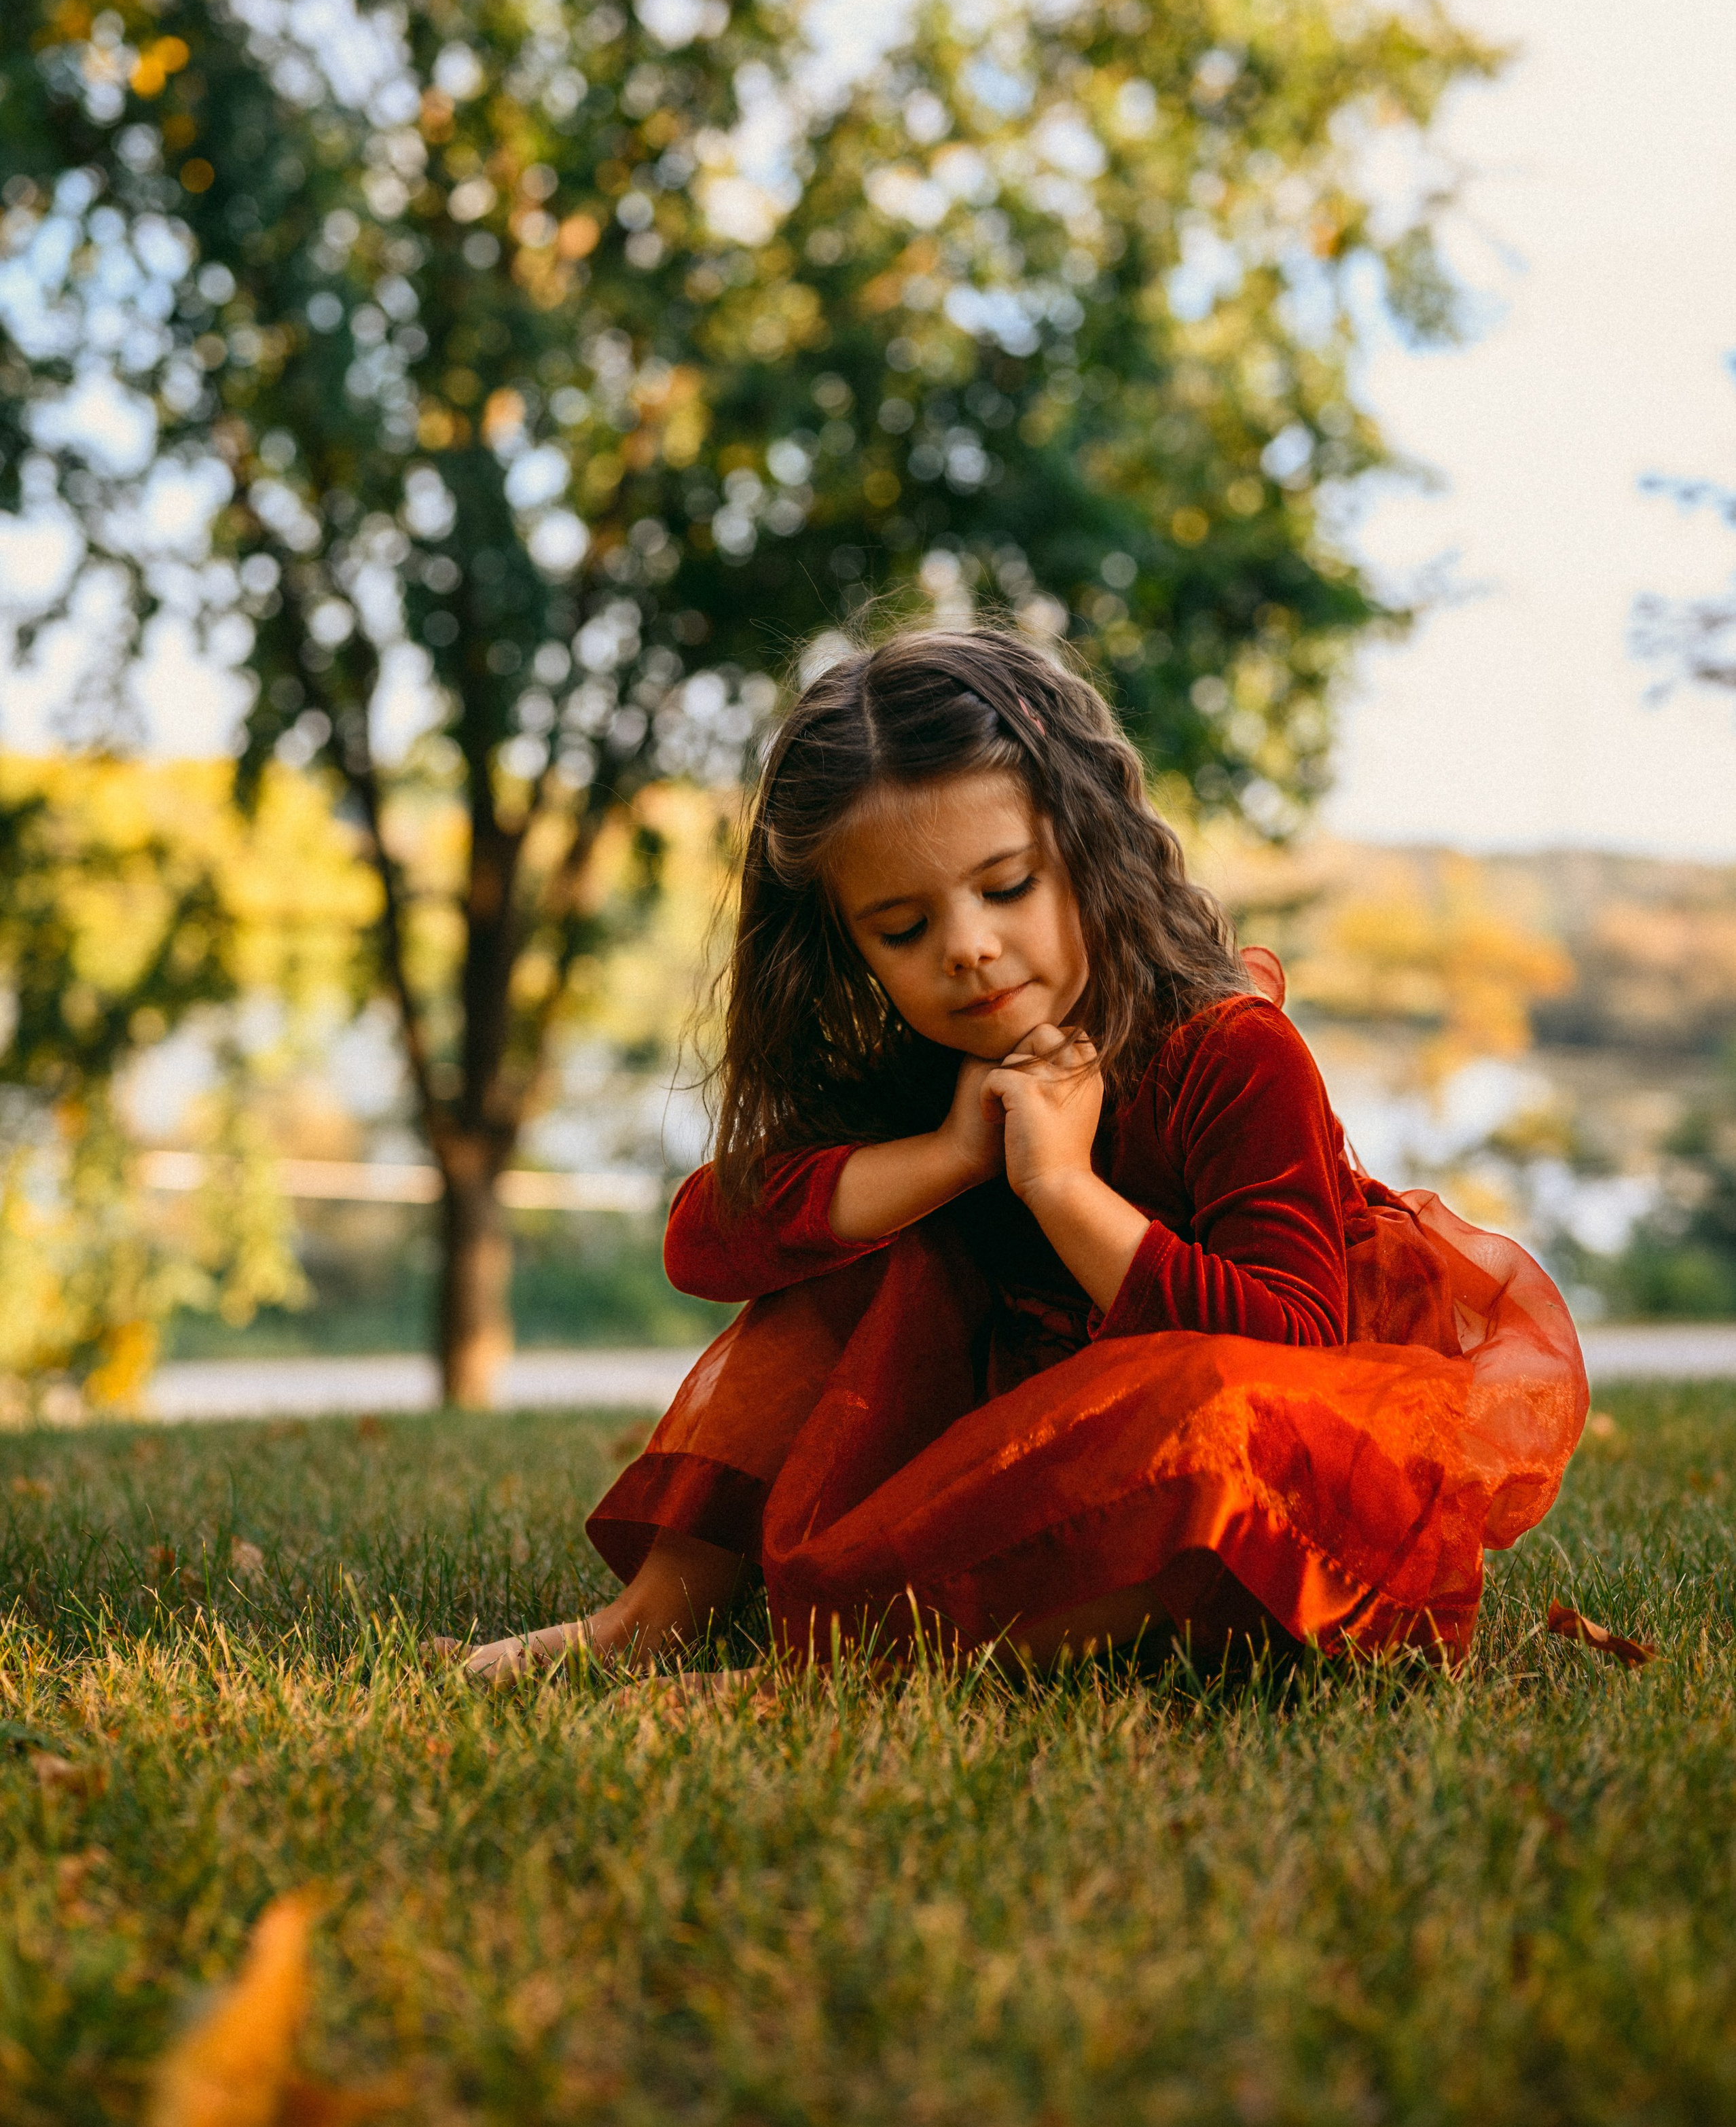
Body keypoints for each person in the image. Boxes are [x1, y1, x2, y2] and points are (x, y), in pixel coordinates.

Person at [463, 625, 1587, 1683]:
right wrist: (958, 1153)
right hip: (1027, 1433)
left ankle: (873, 1673)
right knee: (846, 1256)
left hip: (1267, 1487)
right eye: (902, 928)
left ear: (1090, 849)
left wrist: (1062, 1188)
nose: (969, 949)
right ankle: (651, 1619)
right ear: (846, 944)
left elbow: (1291, 1346)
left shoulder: (1231, 1052)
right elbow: (715, 1234)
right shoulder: (934, 1063)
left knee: (1209, 1412)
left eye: (1008, 887)